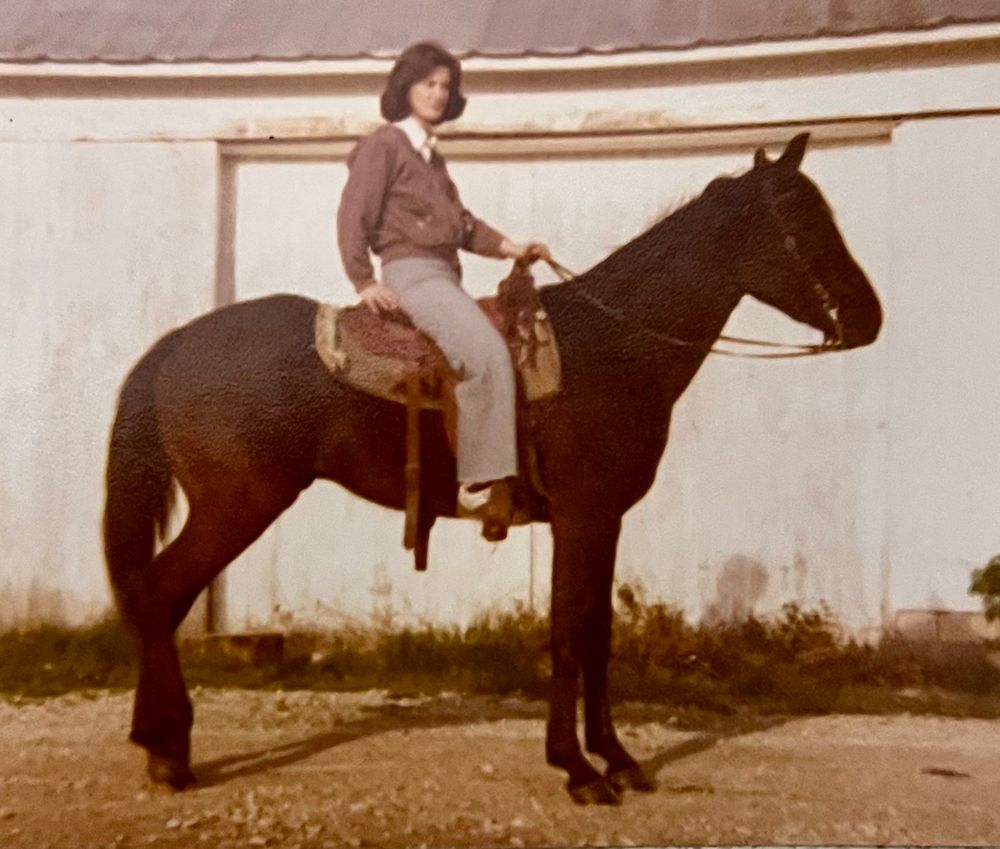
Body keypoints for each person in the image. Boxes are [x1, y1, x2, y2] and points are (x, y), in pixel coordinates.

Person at [337, 41, 549, 541]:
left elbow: (464, 226)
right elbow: (354, 215)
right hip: (413, 276)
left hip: (444, 276)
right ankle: (476, 483)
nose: (437, 93)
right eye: (428, 83)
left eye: (445, 86)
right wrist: (363, 280)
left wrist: (511, 248)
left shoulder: (432, 159)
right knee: (488, 355)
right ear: (406, 88)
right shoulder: (384, 145)